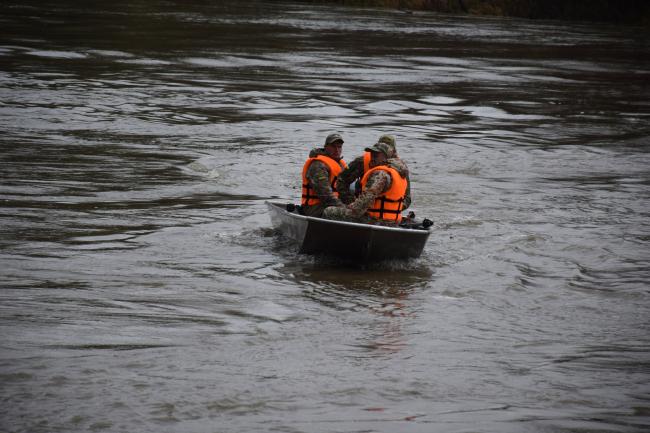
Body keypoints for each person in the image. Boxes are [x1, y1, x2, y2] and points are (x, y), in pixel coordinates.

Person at [323, 141, 408, 225]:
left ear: (386, 157)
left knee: (329, 211)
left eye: (376, 155)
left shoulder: (380, 174)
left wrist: (347, 207)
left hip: (376, 221)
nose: (372, 157)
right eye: (372, 154)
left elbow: (360, 208)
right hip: (394, 221)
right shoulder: (400, 173)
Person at [335, 134, 411, 211]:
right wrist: (351, 202)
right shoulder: (363, 161)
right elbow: (342, 180)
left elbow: (407, 198)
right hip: (360, 204)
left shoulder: (400, 169)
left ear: (393, 152)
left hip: (384, 213)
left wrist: (390, 209)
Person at [300, 133, 348, 217]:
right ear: (326, 147)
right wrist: (345, 208)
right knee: (351, 215)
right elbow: (325, 195)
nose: (337, 150)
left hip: (333, 205)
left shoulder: (341, 165)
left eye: (339, 147)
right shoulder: (317, 165)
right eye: (333, 146)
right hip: (315, 208)